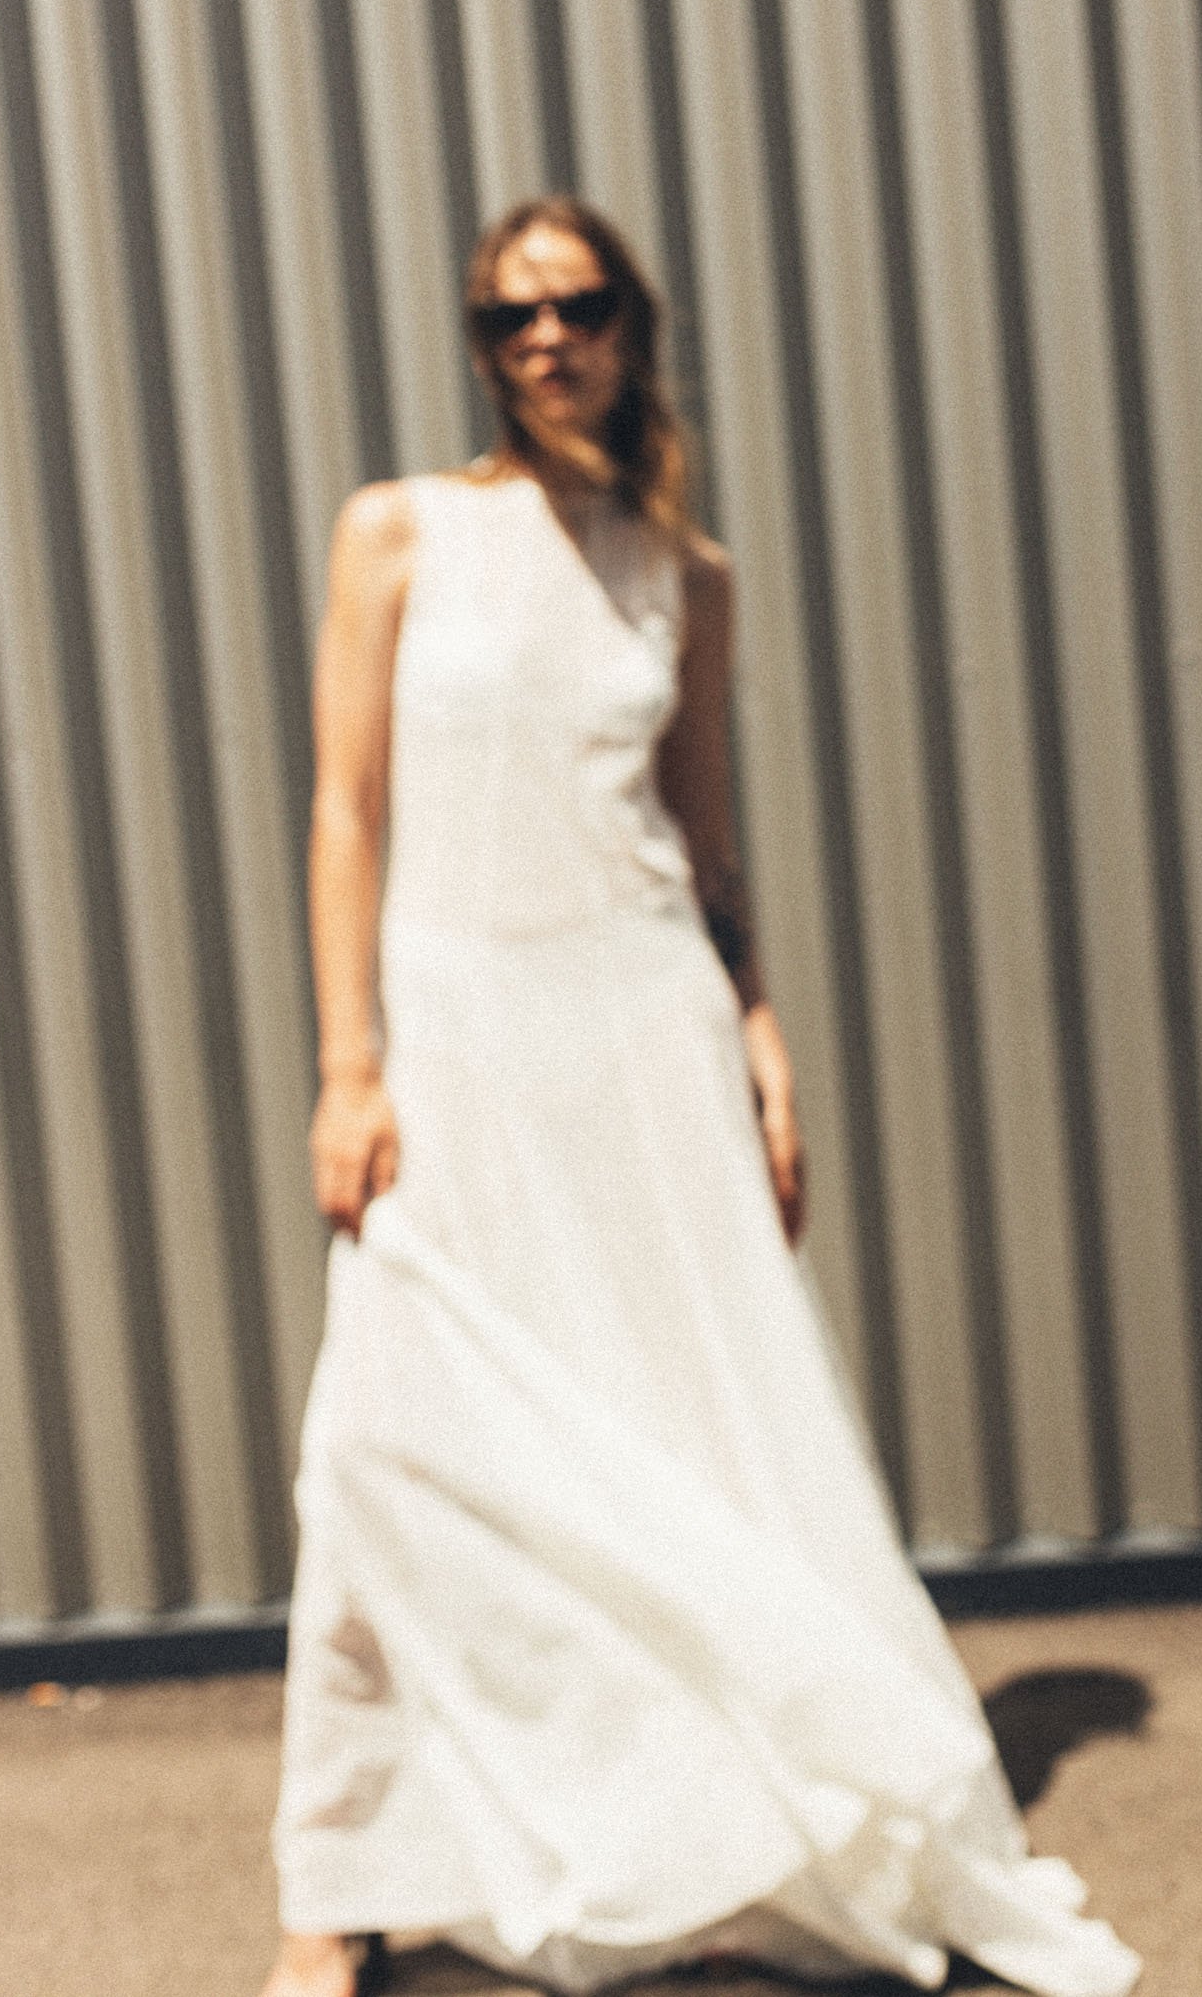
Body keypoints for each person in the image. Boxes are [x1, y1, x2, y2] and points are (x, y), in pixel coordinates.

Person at [261, 198, 1140, 1997]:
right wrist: (349, 1061)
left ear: (629, 326)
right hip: (455, 1039)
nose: (543, 341)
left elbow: (702, 833)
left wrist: (756, 1027)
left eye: (575, 307)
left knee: (687, 1440)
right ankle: (328, 1903)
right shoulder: (400, 532)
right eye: (506, 316)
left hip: (642, 1038)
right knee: (378, 1443)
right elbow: (347, 811)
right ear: (480, 343)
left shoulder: (687, 570)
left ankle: (713, 1814)